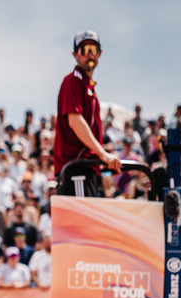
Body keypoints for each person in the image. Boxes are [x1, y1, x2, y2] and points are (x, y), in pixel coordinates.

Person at [53, 31, 121, 193]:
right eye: (84, 50)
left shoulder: (88, 86)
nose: (89, 54)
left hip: (86, 168)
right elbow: (75, 122)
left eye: (93, 48)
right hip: (76, 168)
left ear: (100, 53)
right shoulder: (73, 80)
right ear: (75, 54)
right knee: (79, 219)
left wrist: (104, 161)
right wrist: (103, 155)